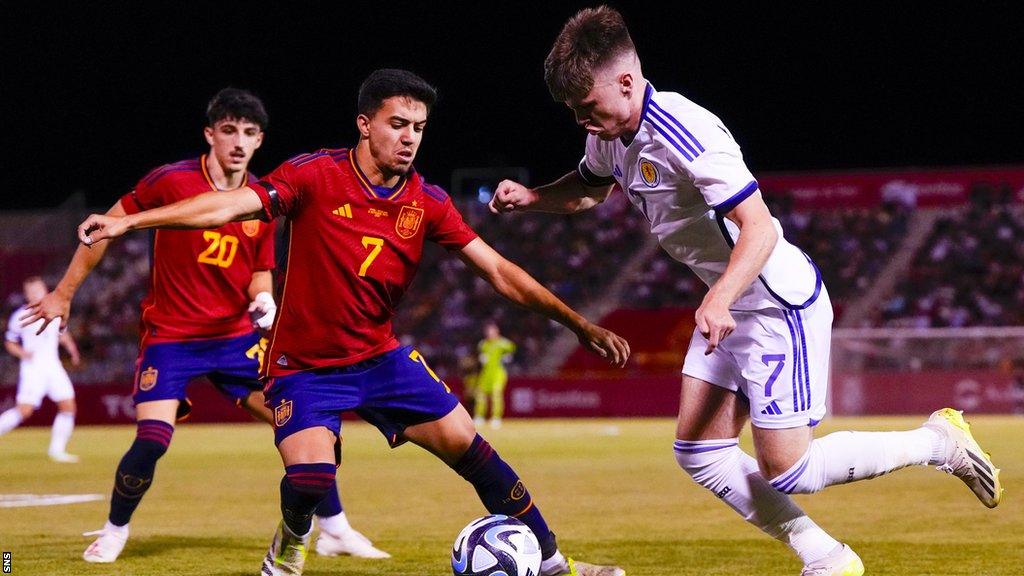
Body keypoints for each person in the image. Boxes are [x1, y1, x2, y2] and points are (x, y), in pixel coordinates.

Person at [488, 6, 1002, 576]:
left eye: (587, 106)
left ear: (627, 82)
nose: (581, 120)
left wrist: (719, 298)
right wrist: (534, 198)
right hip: (730, 303)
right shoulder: (611, 138)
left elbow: (761, 227)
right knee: (700, 452)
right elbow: (588, 191)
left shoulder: (687, 132)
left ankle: (937, 441)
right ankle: (826, 558)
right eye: (572, 111)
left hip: (774, 302)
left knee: (792, 470)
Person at [76, 68, 631, 576]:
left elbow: (500, 271)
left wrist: (579, 325)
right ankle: (291, 541)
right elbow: (228, 205)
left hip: (380, 358)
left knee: (472, 446)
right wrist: (132, 224)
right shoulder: (315, 175)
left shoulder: (428, 202)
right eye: (397, 124)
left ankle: (556, 564)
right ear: (365, 125)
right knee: (311, 479)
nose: (410, 137)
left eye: (418, 126)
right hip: (304, 367)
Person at [22, 88, 385, 564]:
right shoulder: (171, 182)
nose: (239, 141)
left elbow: (259, 271)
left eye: (250, 133)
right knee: (152, 441)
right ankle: (114, 529)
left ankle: (335, 529)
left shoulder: (262, 198)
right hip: (170, 338)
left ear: (259, 141)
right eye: (229, 130)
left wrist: (263, 300)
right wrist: (65, 292)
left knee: (303, 424)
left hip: (235, 340)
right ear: (210, 134)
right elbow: (103, 227)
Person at [0, 276, 81, 462]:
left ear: (44, 289)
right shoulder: (20, 315)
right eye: (31, 290)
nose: (36, 293)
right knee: (25, 410)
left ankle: (57, 450)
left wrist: (72, 349)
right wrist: (23, 353)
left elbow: (61, 332)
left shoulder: (54, 309)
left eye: (38, 289)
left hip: (53, 366)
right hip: (33, 368)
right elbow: (10, 342)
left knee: (68, 405)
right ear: (26, 294)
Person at [474, 322, 515, 429]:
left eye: (491, 331)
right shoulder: (483, 344)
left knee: (496, 395)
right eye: (487, 332)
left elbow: (513, 350)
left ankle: (496, 418)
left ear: (497, 332)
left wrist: (507, 357)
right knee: (480, 396)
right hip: (486, 373)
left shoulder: (503, 343)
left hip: (498, 373)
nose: (489, 334)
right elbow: (480, 356)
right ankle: (479, 416)